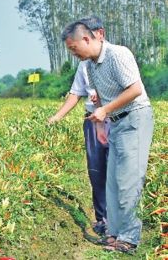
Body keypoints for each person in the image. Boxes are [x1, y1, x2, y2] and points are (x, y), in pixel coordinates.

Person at [62, 21, 154, 254]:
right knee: (112, 181)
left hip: (134, 118)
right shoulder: (90, 66)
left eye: (74, 48)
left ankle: (129, 238)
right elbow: (101, 98)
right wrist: (103, 120)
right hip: (115, 121)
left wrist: (104, 110)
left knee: (128, 180)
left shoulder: (117, 54)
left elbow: (134, 90)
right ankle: (114, 233)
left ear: (87, 39)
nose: (73, 54)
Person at [49, 16, 109, 235]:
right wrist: (56, 118)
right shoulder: (84, 66)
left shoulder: (115, 57)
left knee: (117, 171)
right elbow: (75, 94)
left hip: (114, 119)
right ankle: (102, 219)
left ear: (96, 35)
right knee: (97, 171)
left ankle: (119, 221)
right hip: (93, 121)